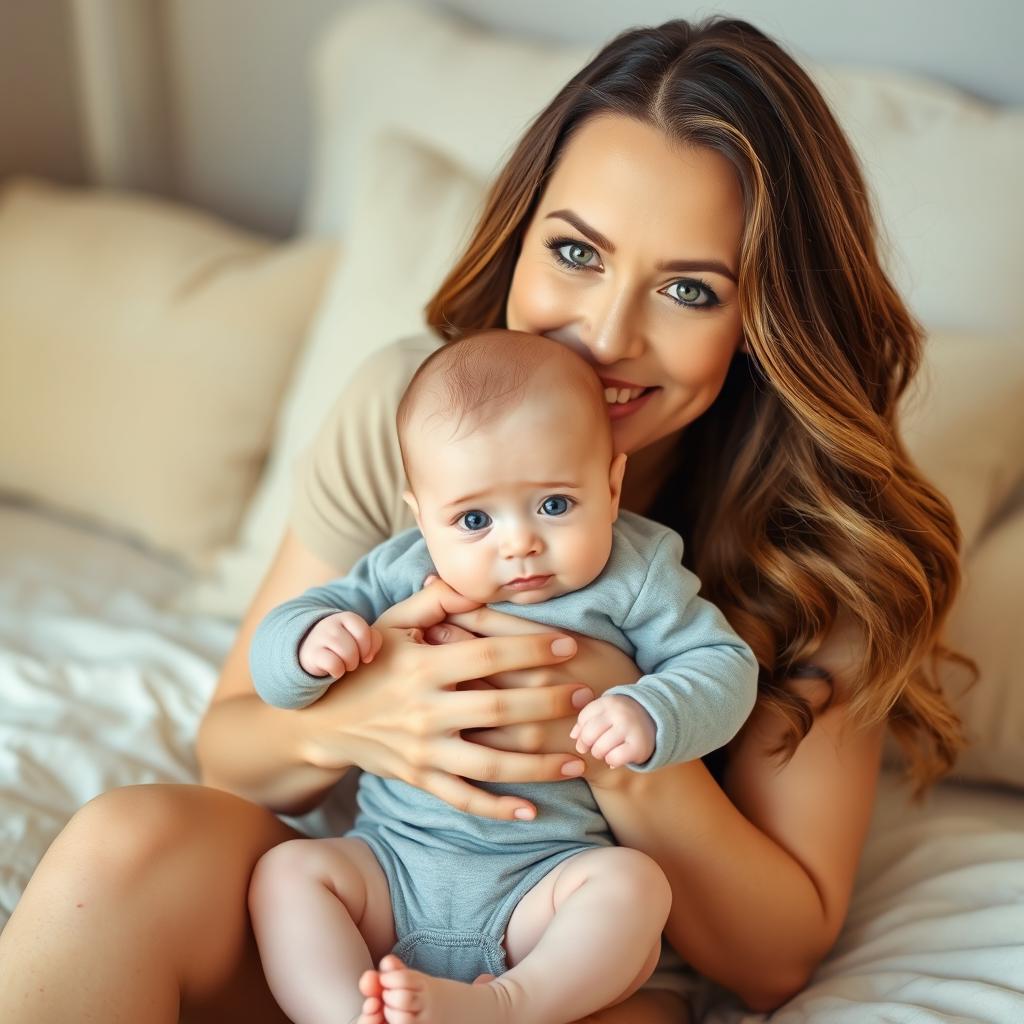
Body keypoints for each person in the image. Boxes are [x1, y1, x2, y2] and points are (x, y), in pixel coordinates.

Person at [0, 15, 967, 1024]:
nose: (603, 335)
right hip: (370, 906)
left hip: (578, 966)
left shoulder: (828, 538)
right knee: (118, 849)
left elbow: (776, 957)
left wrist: (608, 726)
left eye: (688, 289)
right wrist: (372, 714)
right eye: (574, 253)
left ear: (768, 315)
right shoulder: (408, 412)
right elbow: (231, 749)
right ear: (519, 240)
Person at [246, 330, 759, 1023]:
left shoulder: (637, 577)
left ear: (610, 486)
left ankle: (511, 1006)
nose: (519, 542)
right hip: (392, 867)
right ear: (421, 517)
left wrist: (653, 710)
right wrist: (308, 642)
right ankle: (346, 1012)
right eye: (474, 519)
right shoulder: (400, 570)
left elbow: (724, 667)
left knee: (632, 887)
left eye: (554, 504)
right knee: (288, 874)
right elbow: (281, 650)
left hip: (542, 891)